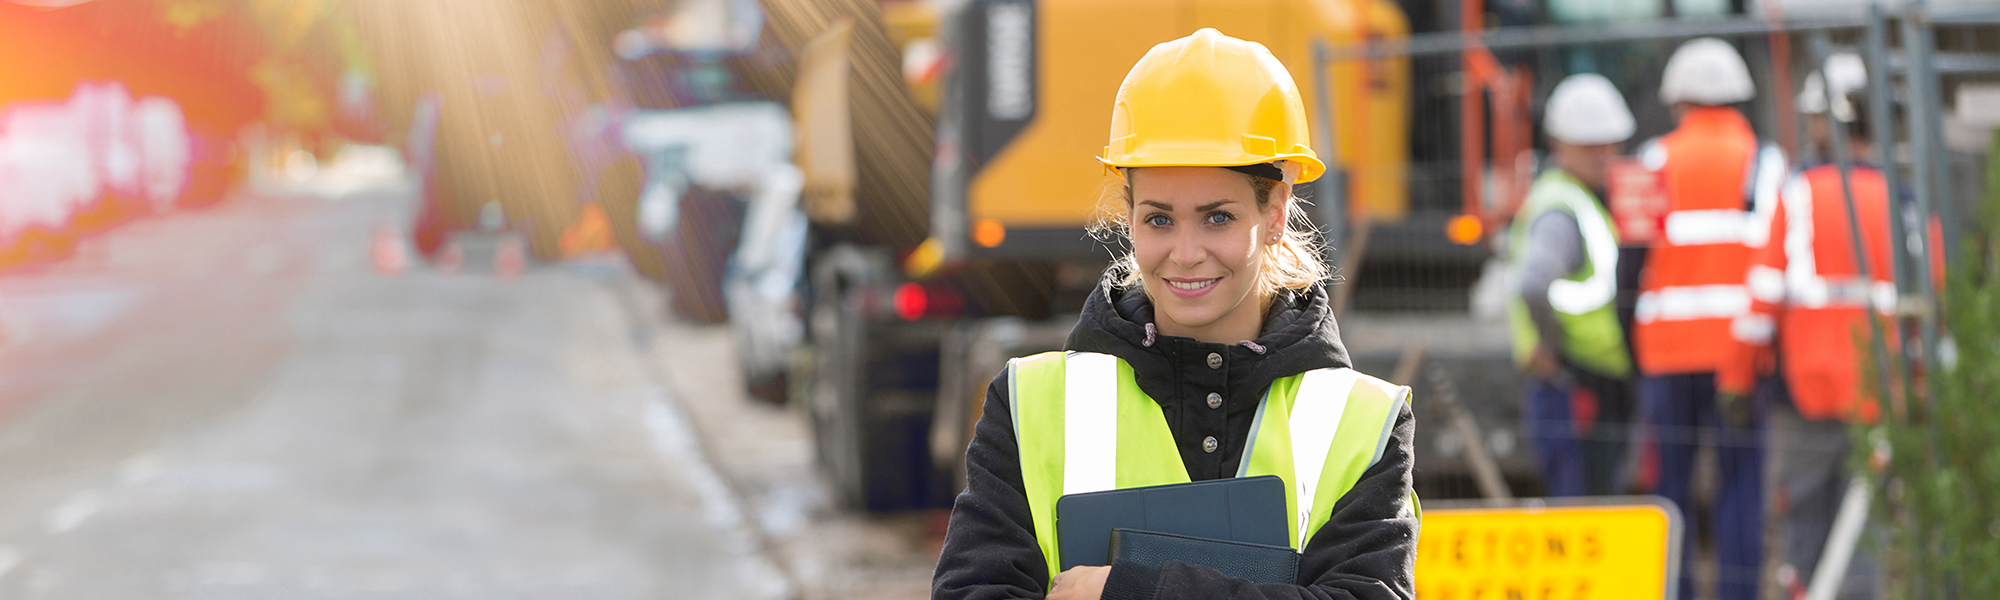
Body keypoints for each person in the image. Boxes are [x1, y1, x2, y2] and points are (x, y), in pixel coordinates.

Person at [930, 28, 1419, 600]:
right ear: (1129, 214)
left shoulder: (1359, 422)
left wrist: (1130, 590)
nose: (1185, 254)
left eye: (1218, 218)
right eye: (1159, 219)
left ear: (1277, 213)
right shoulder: (1031, 402)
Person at [1720, 53, 1935, 600]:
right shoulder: (1905, 200)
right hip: (1879, 388)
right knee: (1863, 528)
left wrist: (1737, 380)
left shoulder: (1799, 193)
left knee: (1803, 522)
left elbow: (1763, 297)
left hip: (1807, 388)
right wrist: (1919, 384)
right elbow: (1933, 298)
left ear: (1825, 121)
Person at [1632, 37, 1787, 600]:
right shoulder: (1767, 163)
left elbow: (1630, 262)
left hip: (1666, 356)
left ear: (1679, 101)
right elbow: (1779, 260)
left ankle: (1674, 591)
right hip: (1740, 358)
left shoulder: (1652, 160)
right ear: (1739, 99)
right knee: (1741, 487)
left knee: (1670, 488)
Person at [1508, 74, 1636, 497]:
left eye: (1609, 144)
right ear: (1561, 144)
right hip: (1575, 379)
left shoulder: (1580, 198)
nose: (1605, 155)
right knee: (1584, 505)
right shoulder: (1561, 209)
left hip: (1588, 378)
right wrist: (1549, 349)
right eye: (1590, 146)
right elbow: (1533, 284)